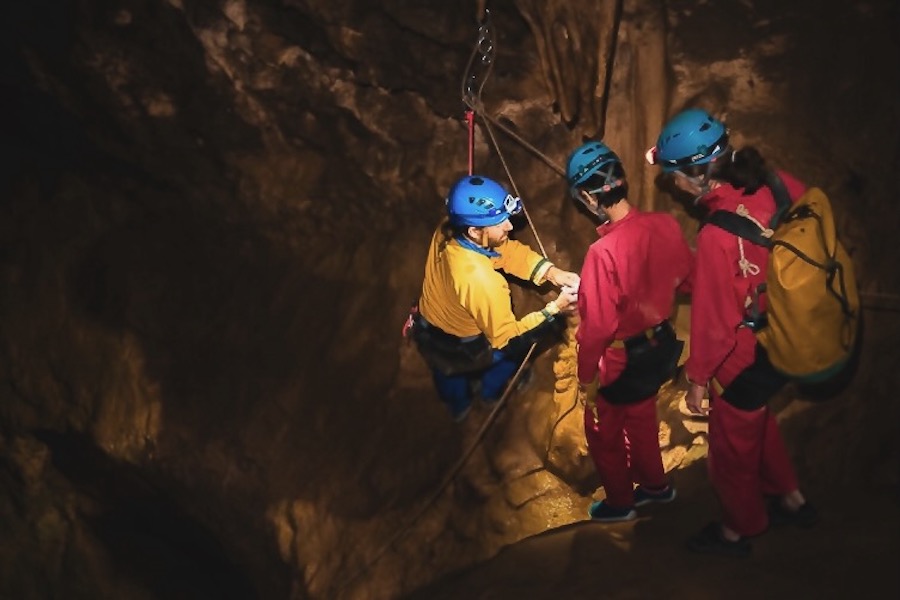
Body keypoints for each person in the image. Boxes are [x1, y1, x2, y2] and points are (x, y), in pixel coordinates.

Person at [647, 108, 818, 556]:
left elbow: (714, 324)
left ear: (698, 174)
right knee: (756, 418)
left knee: (728, 448)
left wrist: (698, 380)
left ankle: (741, 529)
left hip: (750, 353)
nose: (676, 186)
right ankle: (790, 498)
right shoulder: (780, 184)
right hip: (797, 331)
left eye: (676, 177)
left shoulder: (718, 235)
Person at [567, 141, 694, 522]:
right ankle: (655, 486)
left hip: (620, 358)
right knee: (640, 414)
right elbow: (687, 278)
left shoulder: (602, 253)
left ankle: (620, 502)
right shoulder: (664, 224)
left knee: (603, 431)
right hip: (659, 347)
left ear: (588, 196)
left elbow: (599, 328)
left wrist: (586, 374)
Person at [408, 174, 580, 422]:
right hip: (462, 342)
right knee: (508, 357)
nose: (509, 227)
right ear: (475, 231)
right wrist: (555, 309)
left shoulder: (449, 227)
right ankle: (489, 395)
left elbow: (505, 251)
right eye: (501, 223)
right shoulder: (480, 280)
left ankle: (460, 409)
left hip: (429, 324)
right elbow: (508, 340)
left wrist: (551, 273)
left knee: (446, 373)